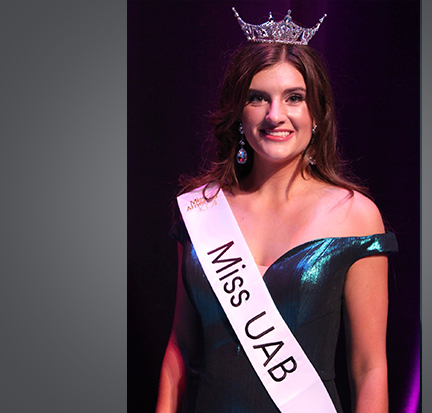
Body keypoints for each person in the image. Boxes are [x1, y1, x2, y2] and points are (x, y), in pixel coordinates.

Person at [155, 8, 397, 413]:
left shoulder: (354, 214)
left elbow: (369, 368)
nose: (275, 115)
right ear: (239, 114)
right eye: (257, 98)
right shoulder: (203, 209)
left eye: (294, 98)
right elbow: (179, 348)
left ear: (316, 114)